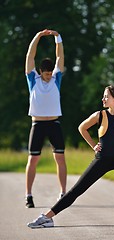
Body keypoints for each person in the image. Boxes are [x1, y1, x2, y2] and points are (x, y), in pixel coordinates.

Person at [27, 85, 114, 227]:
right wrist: (94, 146)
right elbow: (82, 128)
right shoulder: (100, 115)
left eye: (106, 96)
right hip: (102, 159)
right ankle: (47, 217)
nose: (103, 99)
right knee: (77, 190)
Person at [25, 29, 67, 208]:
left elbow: (60, 58)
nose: (49, 76)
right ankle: (28, 195)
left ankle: (64, 193)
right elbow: (30, 56)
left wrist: (58, 37)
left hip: (54, 123)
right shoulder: (33, 79)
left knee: (60, 158)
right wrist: (38, 36)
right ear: (41, 72)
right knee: (33, 159)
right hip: (38, 124)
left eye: (51, 73)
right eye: (46, 73)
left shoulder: (57, 78)